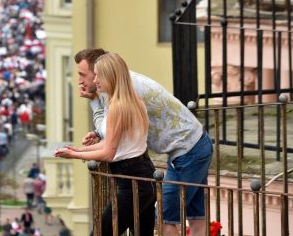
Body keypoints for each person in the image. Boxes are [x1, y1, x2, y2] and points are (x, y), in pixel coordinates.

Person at [75, 48, 213, 236]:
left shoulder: (123, 91)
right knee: (196, 219)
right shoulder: (122, 83)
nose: (80, 81)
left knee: (164, 220)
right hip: (193, 143)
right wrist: (99, 133)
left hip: (187, 150)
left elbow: (109, 132)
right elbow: (115, 129)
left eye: (84, 74)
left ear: (101, 70)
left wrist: (93, 102)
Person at [55, 52, 156, 235]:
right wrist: (79, 149)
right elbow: (114, 143)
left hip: (131, 182)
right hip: (143, 176)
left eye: (99, 74)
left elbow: (109, 153)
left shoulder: (117, 107)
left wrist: (75, 155)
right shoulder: (132, 101)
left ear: (111, 76)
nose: (96, 79)